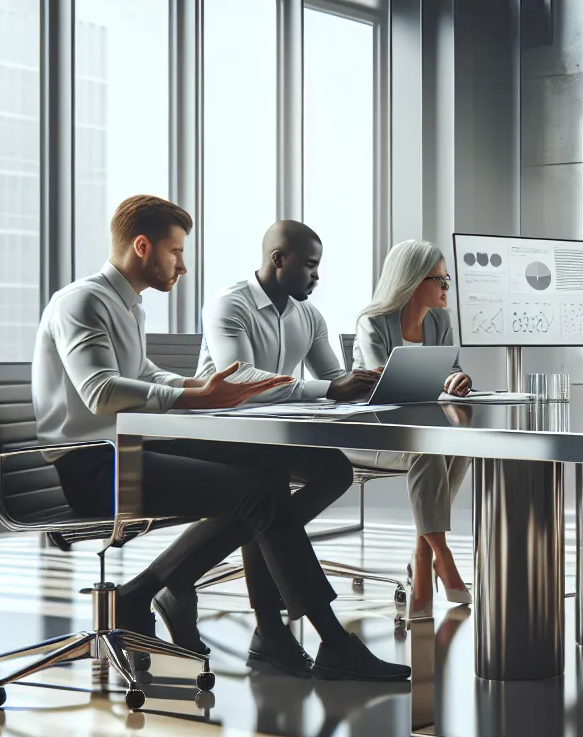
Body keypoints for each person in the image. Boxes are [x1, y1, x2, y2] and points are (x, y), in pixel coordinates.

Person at [32, 194, 408, 682]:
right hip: (95, 468)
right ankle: (326, 641)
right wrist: (196, 397)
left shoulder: (128, 307)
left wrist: (201, 389)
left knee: (267, 473)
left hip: (132, 448)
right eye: (176, 252)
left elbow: (144, 373)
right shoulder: (82, 300)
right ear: (142, 246)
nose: (182, 266)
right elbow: (100, 392)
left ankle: (150, 596)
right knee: (259, 493)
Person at [189, 219, 383, 671]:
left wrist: (371, 386)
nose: (317, 276)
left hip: (271, 438)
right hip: (215, 434)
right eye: (311, 266)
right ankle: (297, 635)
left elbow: (332, 380)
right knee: (270, 490)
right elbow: (239, 380)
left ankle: (214, 584)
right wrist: (328, 390)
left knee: (334, 470)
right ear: (279, 260)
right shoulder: (228, 304)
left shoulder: (309, 315)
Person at [351, 240, 476, 620]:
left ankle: (423, 554)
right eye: (437, 279)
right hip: (370, 435)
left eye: (446, 278)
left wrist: (458, 379)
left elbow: (450, 368)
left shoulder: (440, 321)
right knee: (427, 448)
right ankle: (441, 556)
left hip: (416, 429)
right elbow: (382, 384)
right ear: (411, 281)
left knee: (464, 443)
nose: (445, 287)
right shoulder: (372, 321)